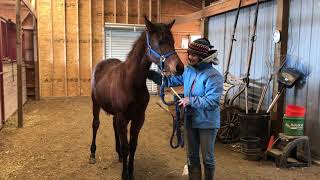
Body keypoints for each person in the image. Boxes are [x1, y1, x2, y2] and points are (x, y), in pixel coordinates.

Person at [148, 38, 223, 180]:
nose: (190, 57)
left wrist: (190, 100)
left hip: (207, 123)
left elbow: (212, 101)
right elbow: (170, 81)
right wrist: (152, 75)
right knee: (192, 156)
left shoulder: (214, 76)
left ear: (203, 56)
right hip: (190, 120)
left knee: (207, 158)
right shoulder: (188, 71)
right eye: (189, 53)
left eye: (194, 55)